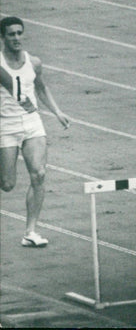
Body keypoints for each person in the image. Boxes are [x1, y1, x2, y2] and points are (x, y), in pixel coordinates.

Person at [0, 17, 70, 248]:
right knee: (7, 184)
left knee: (39, 174)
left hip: (32, 123)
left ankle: (30, 231)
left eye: (20, 33)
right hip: (5, 127)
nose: (17, 38)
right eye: (11, 34)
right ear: (3, 37)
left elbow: (41, 87)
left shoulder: (34, 62)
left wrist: (58, 112)